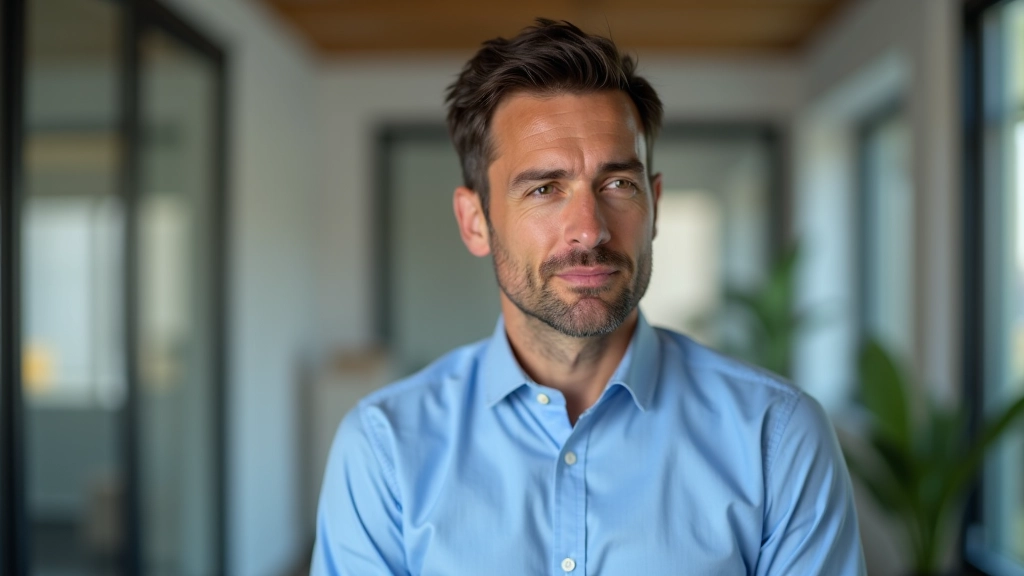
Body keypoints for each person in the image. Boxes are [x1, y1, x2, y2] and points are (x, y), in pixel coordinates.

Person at [312, 19, 865, 576]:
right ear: (475, 221)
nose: (589, 229)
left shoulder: (778, 436)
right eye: (545, 189)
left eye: (617, 184)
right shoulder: (384, 448)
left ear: (654, 204)